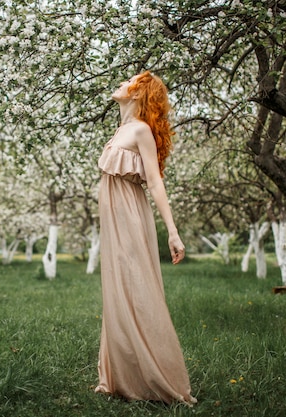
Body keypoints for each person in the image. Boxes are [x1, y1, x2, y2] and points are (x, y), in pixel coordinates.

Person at [95, 71, 197, 406]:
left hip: (129, 217)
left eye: (129, 81)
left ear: (138, 94)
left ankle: (162, 379)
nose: (121, 83)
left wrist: (173, 232)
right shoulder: (122, 129)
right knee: (119, 288)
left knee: (136, 288)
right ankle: (122, 377)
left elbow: (155, 183)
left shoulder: (140, 130)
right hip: (114, 219)